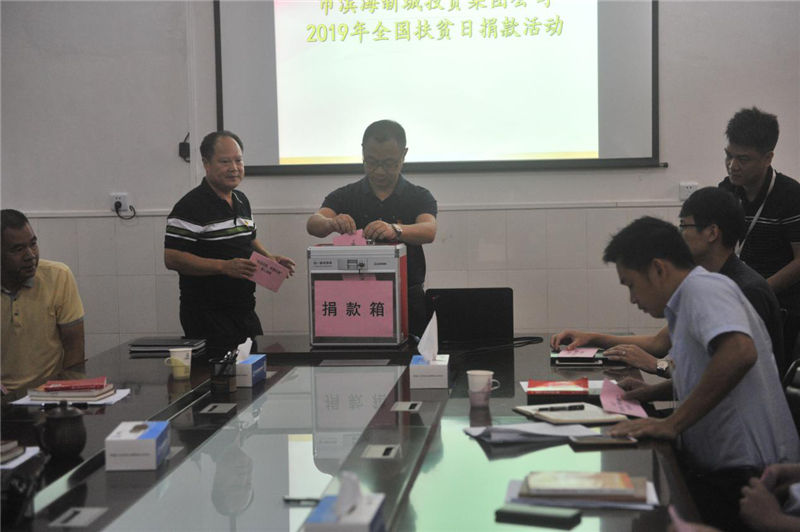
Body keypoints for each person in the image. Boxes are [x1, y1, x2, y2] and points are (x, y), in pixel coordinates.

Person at [601, 217, 799, 531]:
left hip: (748, 475)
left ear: (658, 269)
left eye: (631, 285)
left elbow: (739, 353)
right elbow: (706, 372)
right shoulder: (687, 299)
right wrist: (651, 392)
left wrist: (672, 424)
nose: (632, 298)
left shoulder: (703, 290)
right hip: (729, 467)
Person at [551, 187, 785, 375]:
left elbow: (738, 363)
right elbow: (659, 343)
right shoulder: (704, 282)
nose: (679, 235)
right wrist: (593, 338)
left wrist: (658, 367)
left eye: (684, 226)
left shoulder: (742, 289)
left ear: (712, 233)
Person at [164, 131, 295, 350]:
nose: (234, 168)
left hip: (244, 309)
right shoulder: (190, 206)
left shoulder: (241, 200)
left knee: (253, 366)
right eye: (225, 162)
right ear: (206, 164)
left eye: (238, 160)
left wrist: (269, 258)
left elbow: (249, 240)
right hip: (206, 314)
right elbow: (172, 258)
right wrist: (223, 267)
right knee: (219, 371)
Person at [306, 120, 437, 337]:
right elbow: (314, 223)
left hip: (407, 297)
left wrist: (396, 229)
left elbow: (429, 230)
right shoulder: (346, 195)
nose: (379, 171)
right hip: (355, 300)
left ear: (404, 154)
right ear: (362, 152)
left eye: (389, 163)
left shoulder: (418, 196)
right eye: (371, 162)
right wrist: (331, 223)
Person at [719, 107, 800, 364]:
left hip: (779, 308)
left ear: (768, 158)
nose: (733, 166)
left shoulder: (790, 196)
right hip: (737, 301)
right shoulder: (726, 191)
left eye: (743, 159)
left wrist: (758, 291)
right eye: (729, 156)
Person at [1, 209, 85, 397]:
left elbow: (75, 350)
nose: (30, 255)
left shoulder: (58, 276)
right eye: (18, 249)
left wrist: (67, 396)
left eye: (33, 244)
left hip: (48, 394)